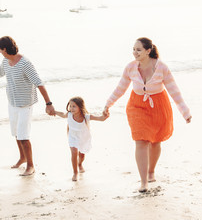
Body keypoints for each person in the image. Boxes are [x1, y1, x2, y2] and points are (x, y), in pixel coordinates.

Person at [103, 37, 192, 192]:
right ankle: (143, 181)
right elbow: (120, 89)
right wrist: (108, 104)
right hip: (136, 106)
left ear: (148, 51)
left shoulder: (161, 67)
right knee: (141, 141)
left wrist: (185, 112)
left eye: (138, 50)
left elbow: (174, 91)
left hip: (158, 106)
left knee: (156, 141)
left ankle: (151, 171)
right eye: (133, 49)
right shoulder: (130, 67)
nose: (134, 53)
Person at [0, 36, 55, 176]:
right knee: (16, 134)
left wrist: (48, 104)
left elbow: (39, 83)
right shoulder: (6, 61)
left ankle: (30, 166)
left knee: (23, 136)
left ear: (5, 49)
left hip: (25, 104)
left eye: (0, 50)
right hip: (12, 102)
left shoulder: (25, 63)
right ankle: (22, 158)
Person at [56, 97, 109, 181]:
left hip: (83, 138)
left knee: (82, 154)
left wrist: (104, 116)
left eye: (74, 106)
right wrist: (53, 111)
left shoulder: (86, 117)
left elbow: (100, 119)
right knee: (74, 152)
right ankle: (75, 172)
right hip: (72, 137)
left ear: (80, 107)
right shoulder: (69, 115)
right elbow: (62, 114)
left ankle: (80, 164)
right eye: (70, 106)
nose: (71, 108)